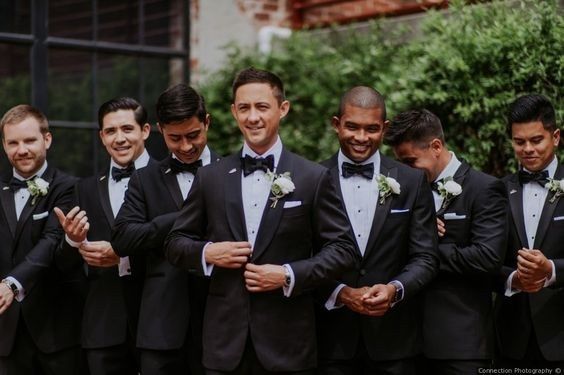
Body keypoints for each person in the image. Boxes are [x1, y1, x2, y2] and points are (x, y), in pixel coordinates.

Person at [164, 67, 357, 375]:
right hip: (224, 347)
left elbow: (344, 249)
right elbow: (175, 244)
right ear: (233, 112)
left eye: (261, 107)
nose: (252, 117)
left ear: (283, 109)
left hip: (289, 345)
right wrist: (208, 253)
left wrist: (288, 274)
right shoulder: (210, 177)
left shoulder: (313, 177)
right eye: (244, 108)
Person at [315, 87, 438, 375]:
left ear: (384, 128)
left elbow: (425, 257)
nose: (361, 138)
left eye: (371, 129)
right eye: (352, 127)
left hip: (395, 343)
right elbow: (304, 254)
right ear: (336, 124)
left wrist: (395, 289)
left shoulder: (411, 181)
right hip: (331, 341)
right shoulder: (314, 178)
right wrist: (341, 293)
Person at [386, 108, 508, 374]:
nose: (405, 171)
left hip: (460, 344)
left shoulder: (484, 189)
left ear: (436, 146)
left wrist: (425, 246)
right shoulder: (397, 190)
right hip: (402, 344)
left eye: (410, 161)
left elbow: (488, 258)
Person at [111, 83, 219, 375]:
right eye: (175, 138)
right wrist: (181, 217)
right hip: (160, 328)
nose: (185, 147)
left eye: (193, 135)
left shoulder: (231, 172)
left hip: (220, 326)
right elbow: (122, 239)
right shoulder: (145, 179)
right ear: (160, 130)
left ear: (207, 122)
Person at [54, 97, 152, 375]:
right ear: (101, 137)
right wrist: (72, 241)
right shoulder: (84, 189)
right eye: (110, 131)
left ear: (144, 131)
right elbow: (64, 265)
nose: (119, 138)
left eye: (127, 129)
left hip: (159, 323)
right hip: (103, 327)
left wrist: (123, 255)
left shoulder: (168, 177)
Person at [0, 105, 82, 374]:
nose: (21, 149)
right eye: (13, 142)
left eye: (29, 140)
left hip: (55, 332)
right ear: (4, 145)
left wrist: (11, 284)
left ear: (46, 139)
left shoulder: (68, 187)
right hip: (6, 336)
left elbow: (51, 241)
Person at [495, 94, 564, 369]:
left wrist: (551, 269)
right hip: (511, 339)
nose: (527, 149)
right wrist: (512, 278)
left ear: (555, 137)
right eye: (519, 141)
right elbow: (483, 259)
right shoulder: (496, 191)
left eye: (536, 140)